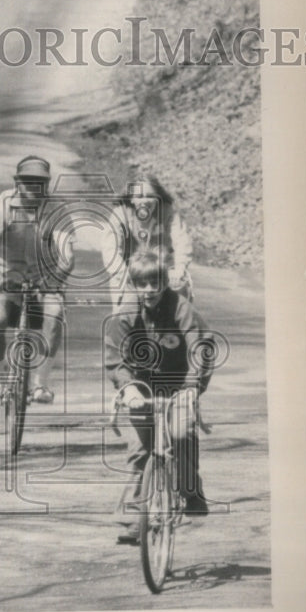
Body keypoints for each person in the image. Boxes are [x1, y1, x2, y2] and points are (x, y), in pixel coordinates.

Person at [104, 248, 215, 545]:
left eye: (155, 283)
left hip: (179, 384)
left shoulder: (181, 308)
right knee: (140, 451)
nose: (149, 290)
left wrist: (193, 387)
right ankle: (136, 518)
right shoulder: (125, 314)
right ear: (133, 284)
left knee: (180, 432)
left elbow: (201, 348)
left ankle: (190, 488)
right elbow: (116, 358)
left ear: (165, 282)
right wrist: (126, 387)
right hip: (142, 387)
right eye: (142, 284)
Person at [0, 156, 75, 411]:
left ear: (47, 184)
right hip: (9, 274)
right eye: (28, 182)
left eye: (40, 183)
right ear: (17, 183)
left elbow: (67, 256)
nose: (34, 188)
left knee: (54, 315)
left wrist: (53, 281)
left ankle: (40, 383)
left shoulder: (57, 208)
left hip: (46, 277)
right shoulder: (4, 203)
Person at [100, 174, 192, 307]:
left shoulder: (168, 212)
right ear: (131, 199)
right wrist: (122, 272)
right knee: (124, 312)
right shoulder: (120, 214)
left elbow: (182, 241)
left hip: (163, 270)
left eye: (150, 196)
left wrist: (179, 269)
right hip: (131, 271)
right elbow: (110, 248)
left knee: (180, 298)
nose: (145, 201)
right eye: (139, 197)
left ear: (158, 198)